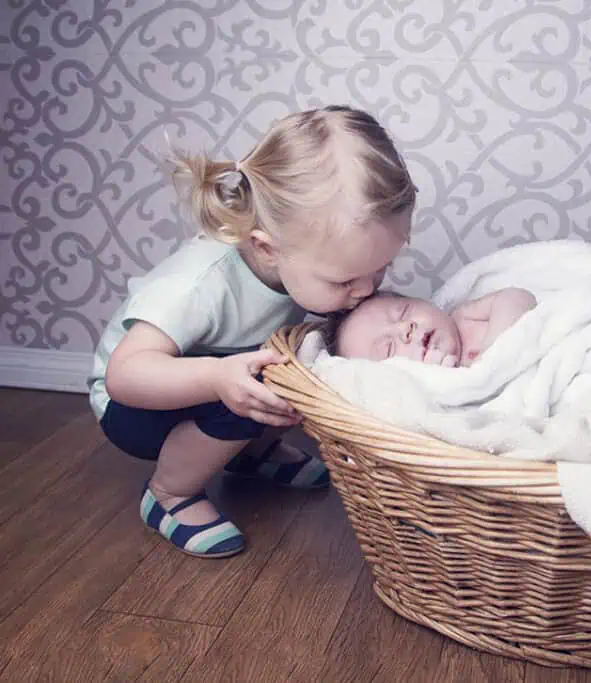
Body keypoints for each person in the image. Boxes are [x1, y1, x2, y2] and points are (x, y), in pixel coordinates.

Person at [86, 105, 415, 558]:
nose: (366, 289)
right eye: (344, 281)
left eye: (380, 269)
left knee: (293, 365)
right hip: (134, 406)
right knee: (253, 379)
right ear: (267, 247)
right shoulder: (199, 284)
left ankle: (247, 454)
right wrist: (216, 378)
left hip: (212, 377)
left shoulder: (305, 261)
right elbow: (124, 376)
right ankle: (169, 494)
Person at [332, 288, 537, 367]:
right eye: (389, 348)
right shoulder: (433, 399)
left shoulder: (465, 317)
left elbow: (518, 298)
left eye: (404, 312)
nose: (405, 329)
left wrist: (492, 356)